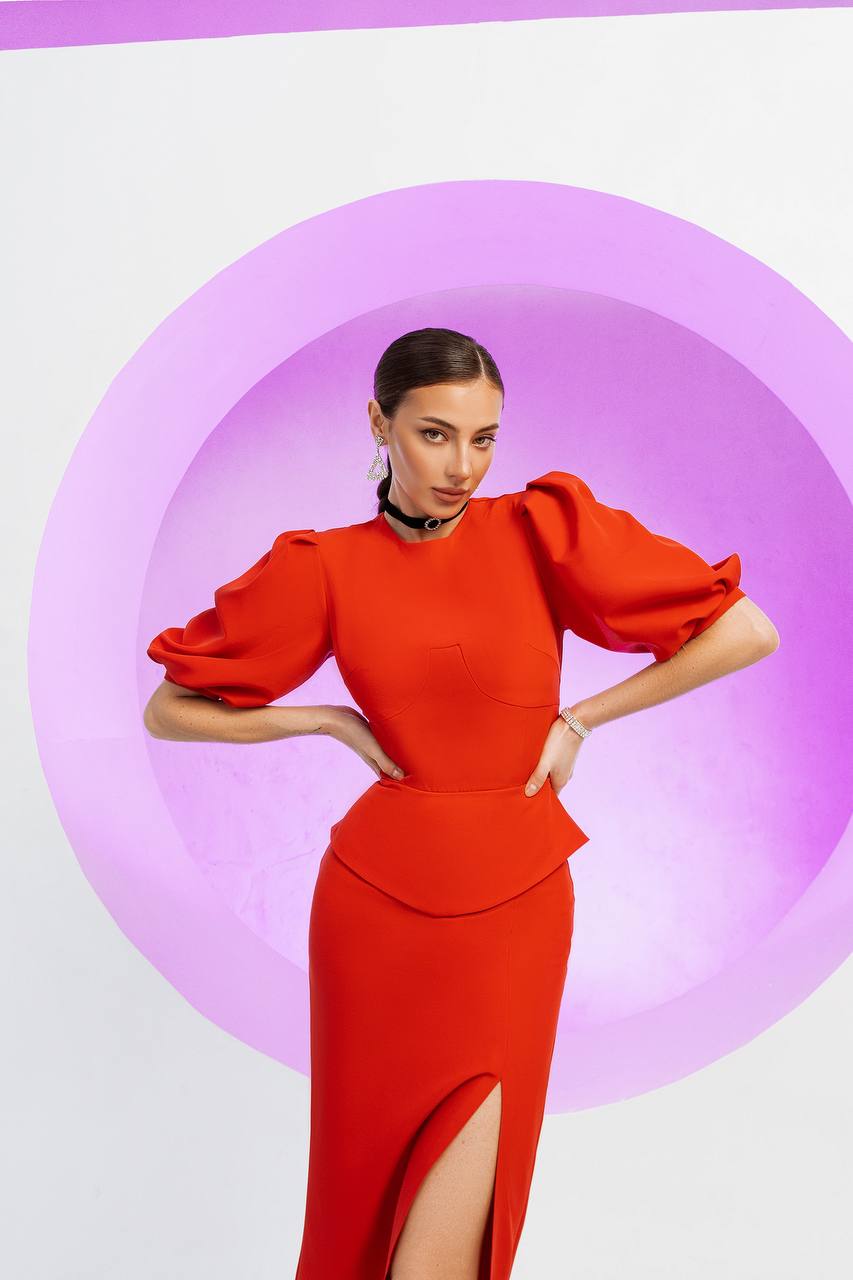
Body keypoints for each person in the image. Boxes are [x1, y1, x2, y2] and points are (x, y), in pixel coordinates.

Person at [144, 327, 779, 1280]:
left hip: (515, 906)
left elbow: (745, 629)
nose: (462, 466)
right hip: (373, 920)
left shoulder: (539, 529)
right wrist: (321, 719)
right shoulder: (323, 565)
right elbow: (169, 710)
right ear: (379, 424)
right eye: (435, 435)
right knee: (360, 1204)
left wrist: (583, 719)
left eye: (483, 439)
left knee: (459, 1225)